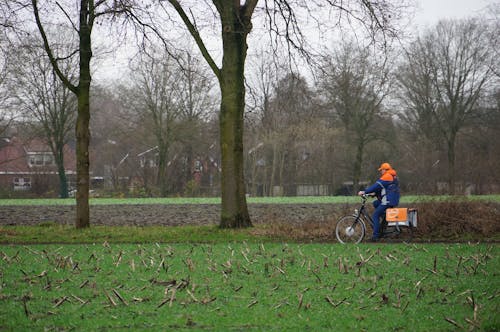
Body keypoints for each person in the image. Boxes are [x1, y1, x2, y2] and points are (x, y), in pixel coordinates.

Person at [358, 162, 400, 242]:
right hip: (392, 199)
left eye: (381, 170)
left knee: (375, 215)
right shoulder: (392, 176)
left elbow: (376, 186)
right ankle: (384, 218)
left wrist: (364, 192)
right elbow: (383, 188)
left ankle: (376, 236)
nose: (381, 172)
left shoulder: (387, 176)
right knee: (375, 203)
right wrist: (373, 194)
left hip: (388, 200)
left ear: (385, 170)